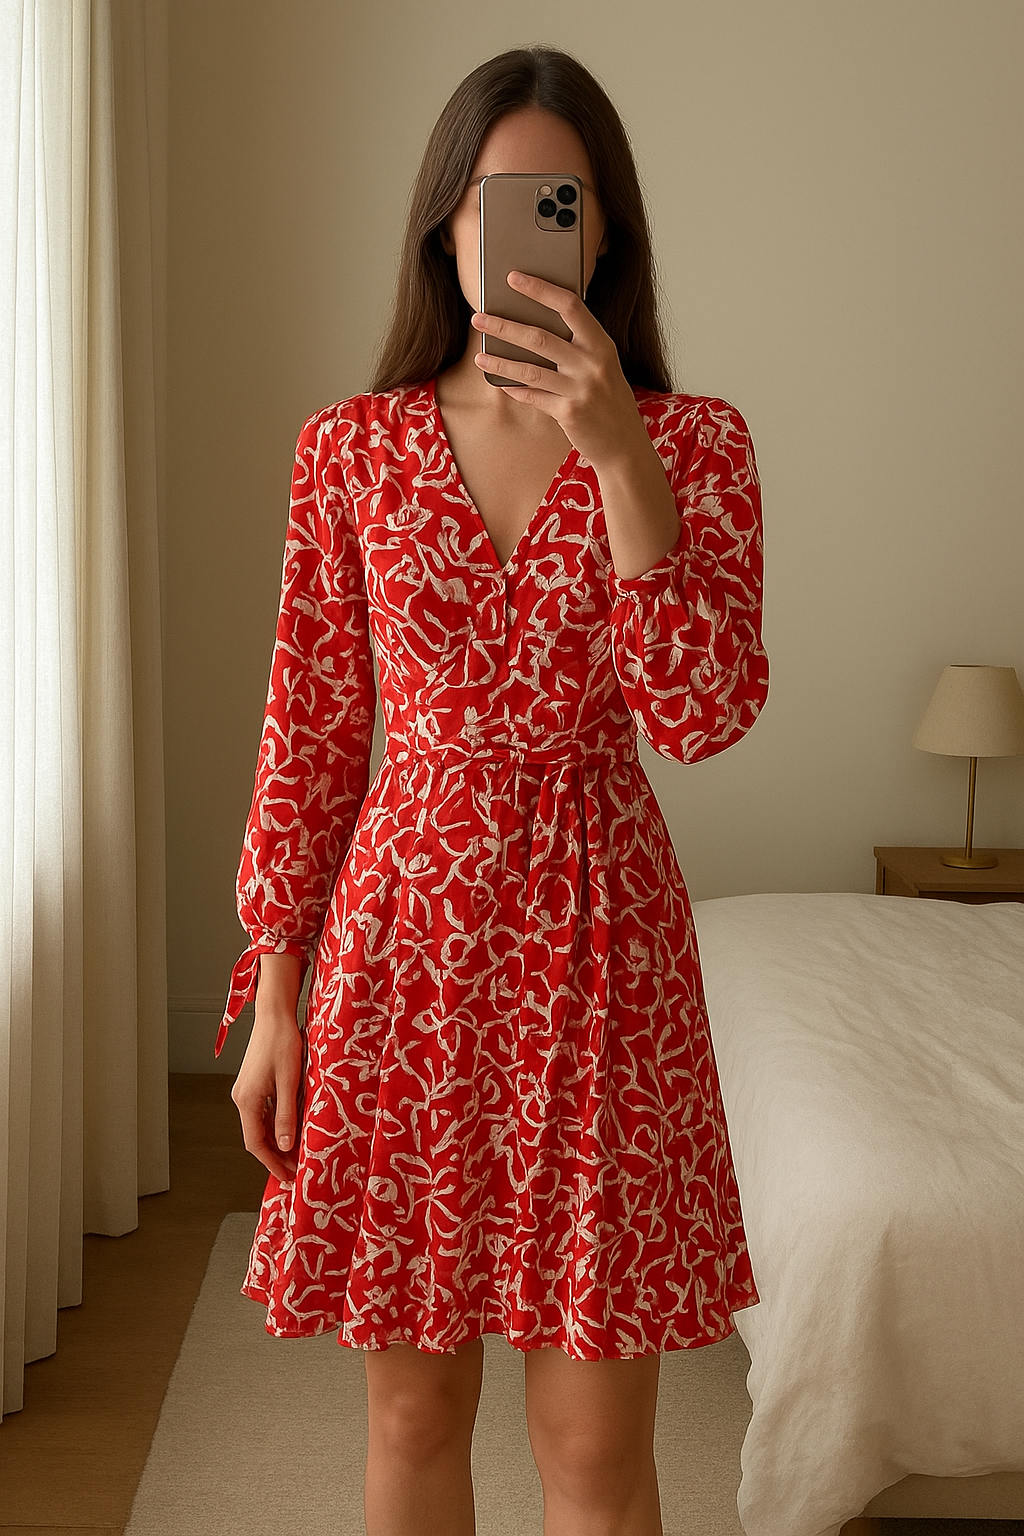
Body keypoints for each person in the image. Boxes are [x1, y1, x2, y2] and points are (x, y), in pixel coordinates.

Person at [221, 44, 768, 1536]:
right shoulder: (353, 449)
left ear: (604, 235)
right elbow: (311, 732)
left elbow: (704, 714)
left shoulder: (695, 446)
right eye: (494, 199)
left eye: (560, 202)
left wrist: (622, 459)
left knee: (594, 1450)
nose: (523, 230)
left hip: (606, 958)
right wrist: (277, 996)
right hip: (406, 958)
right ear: (445, 232)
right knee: (414, 1414)